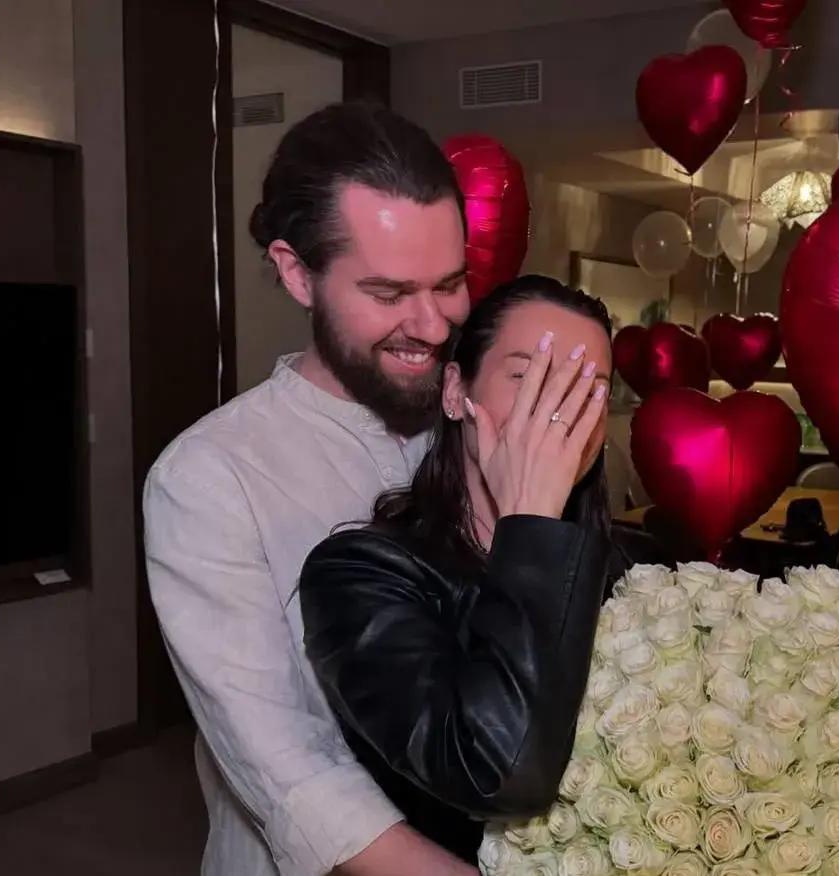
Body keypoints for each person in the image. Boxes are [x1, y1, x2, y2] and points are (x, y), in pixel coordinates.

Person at [143, 103, 477, 876]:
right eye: (389, 293)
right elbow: (291, 772)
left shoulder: (480, 422)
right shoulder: (208, 478)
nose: (432, 325)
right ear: (298, 273)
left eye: (452, 283)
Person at [299, 276, 614, 864]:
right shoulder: (361, 574)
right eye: (527, 376)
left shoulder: (631, 572)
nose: (557, 410)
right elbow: (498, 773)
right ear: (454, 391)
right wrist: (530, 519)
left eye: (588, 390)